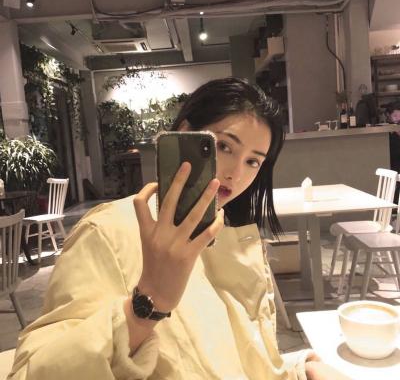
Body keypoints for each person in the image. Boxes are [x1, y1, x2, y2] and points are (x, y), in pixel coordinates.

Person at [8, 78, 349, 380]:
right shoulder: (108, 231)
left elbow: (238, 360)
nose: (235, 173)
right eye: (223, 146)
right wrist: (145, 305)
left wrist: (302, 368)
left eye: (252, 161)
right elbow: (35, 372)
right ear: (185, 133)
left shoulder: (228, 235)